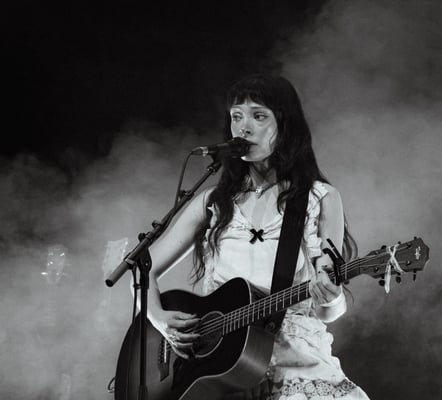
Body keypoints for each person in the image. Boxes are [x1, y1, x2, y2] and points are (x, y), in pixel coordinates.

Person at [146, 74, 369, 399]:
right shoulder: (212, 203)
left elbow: (328, 311)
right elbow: (143, 269)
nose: (243, 128)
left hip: (295, 362)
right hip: (220, 368)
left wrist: (330, 297)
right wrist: (159, 319)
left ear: (285, 125)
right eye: (236, 116)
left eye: (258, 116)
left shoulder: (319, 199)